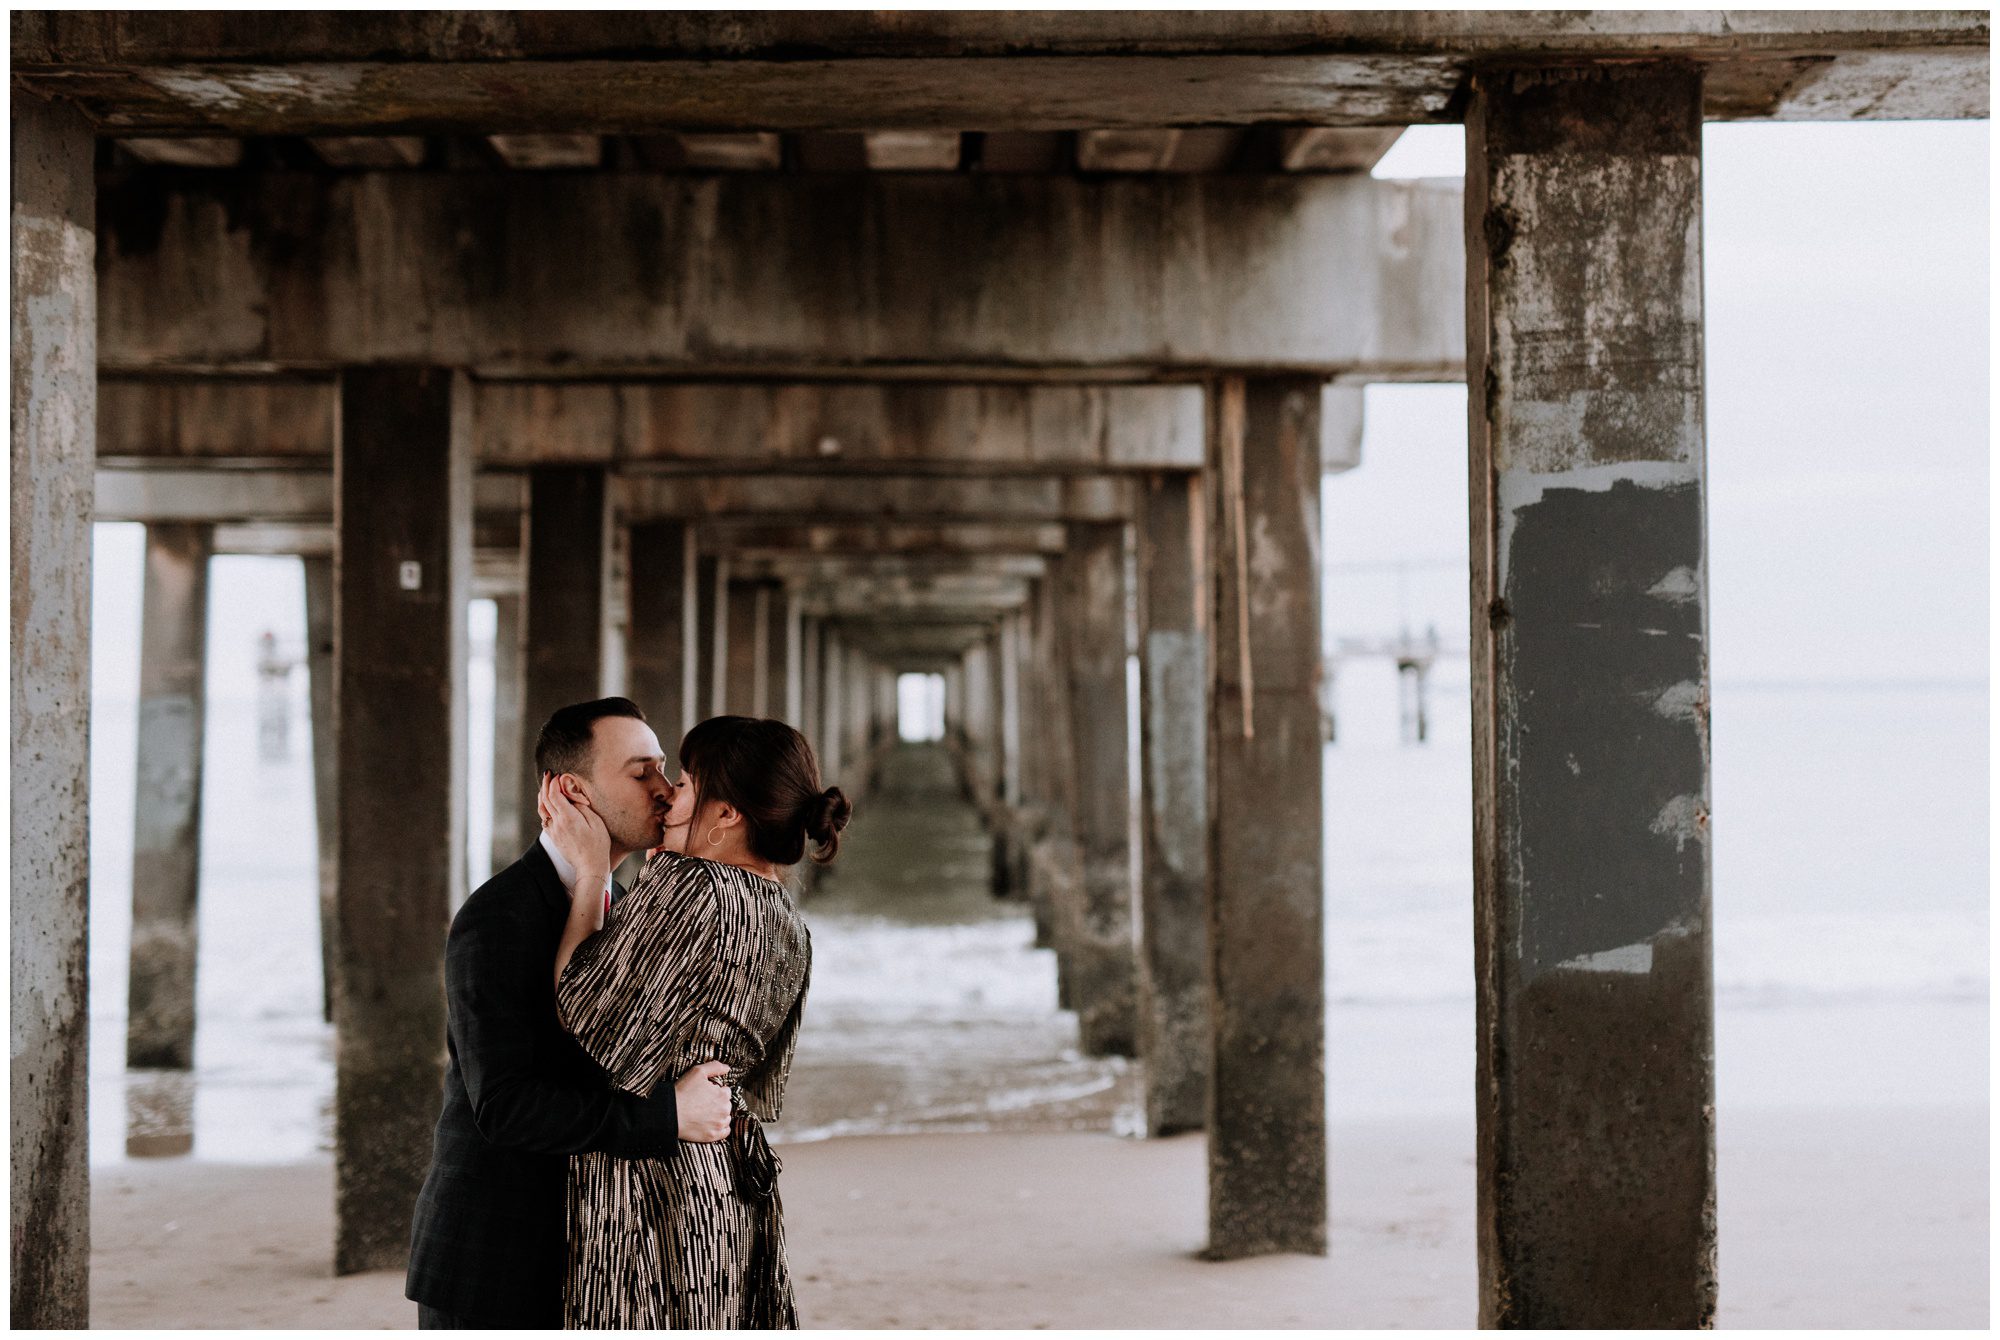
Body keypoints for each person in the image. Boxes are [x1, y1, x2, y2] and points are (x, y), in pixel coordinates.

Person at [406, 698, 735, 1329]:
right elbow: (504, 1107)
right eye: (641, 773)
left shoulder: (627, 901)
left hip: (596, 1256)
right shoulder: (498, 917)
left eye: (665, 769)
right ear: (571, 792)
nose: (666, 791)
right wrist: (667, 1116)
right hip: (499, 1261)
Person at [539, 714, 851, 1328]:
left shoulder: (692, 886)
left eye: (685, 783)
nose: (670, 797)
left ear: (727, 814)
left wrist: (594, 875)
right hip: (726, 1179)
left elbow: (578, 1007)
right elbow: (758, 1078)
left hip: (651, 1183)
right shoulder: (790, 924)